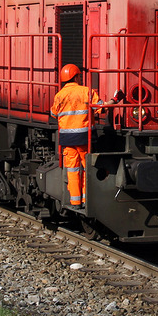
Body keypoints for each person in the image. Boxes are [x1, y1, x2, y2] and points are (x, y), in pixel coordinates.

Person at [50, 64, 103, 208]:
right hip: (84, 138)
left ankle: (75, 202)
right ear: (76, 77)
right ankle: (86, 200)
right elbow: (100, 108)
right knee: (87, 169)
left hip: (67, 139)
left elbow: (54, 114)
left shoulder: (59, 95)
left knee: (72, 170)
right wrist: (114, 101)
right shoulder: (86, 91)